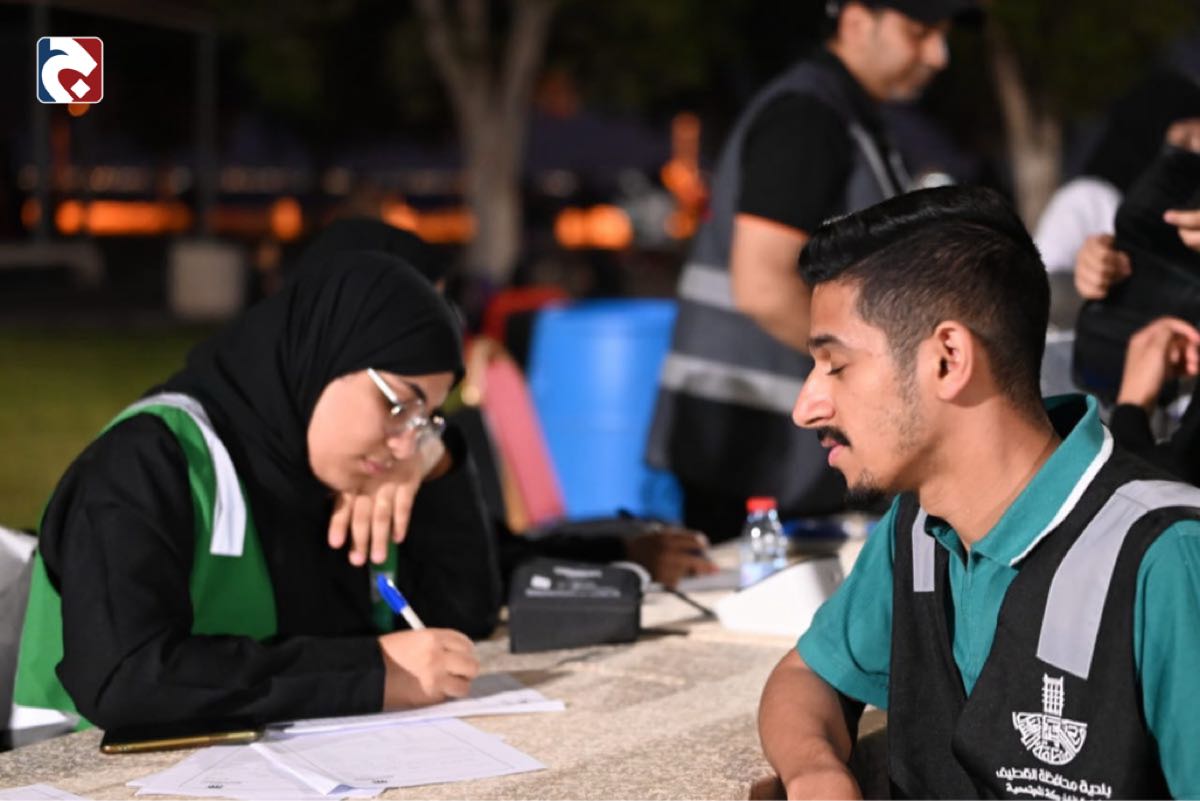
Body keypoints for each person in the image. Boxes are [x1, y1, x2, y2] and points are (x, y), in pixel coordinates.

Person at [758, 186, 1200, 798]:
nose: (807, 407)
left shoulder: (1167, 555)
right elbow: (807, 676)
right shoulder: (918, 528)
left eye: (835, 366)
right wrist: (816, 773)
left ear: (948, 358)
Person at [14, 253, 488, 731]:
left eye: (425, 421)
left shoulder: (336, 478)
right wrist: (372, 672)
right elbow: (127, 677)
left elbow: (461, 623)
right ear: (323, 353)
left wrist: (436, 462)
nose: (405, 443)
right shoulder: (148, 461)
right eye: (399, 405)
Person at [646, 0, 972, 542]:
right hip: (752, 442)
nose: (939, 55)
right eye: (919, 32)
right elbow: (764, 286)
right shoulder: (808, 116)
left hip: (766, 435)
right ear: (856, 22)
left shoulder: (844, 114)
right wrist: (885, 369)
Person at [292, 219, 718, 589]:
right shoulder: (277, 474)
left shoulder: (414, 437)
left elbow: (485, 575)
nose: (433, 343)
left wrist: (620, 554)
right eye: (414, 320)